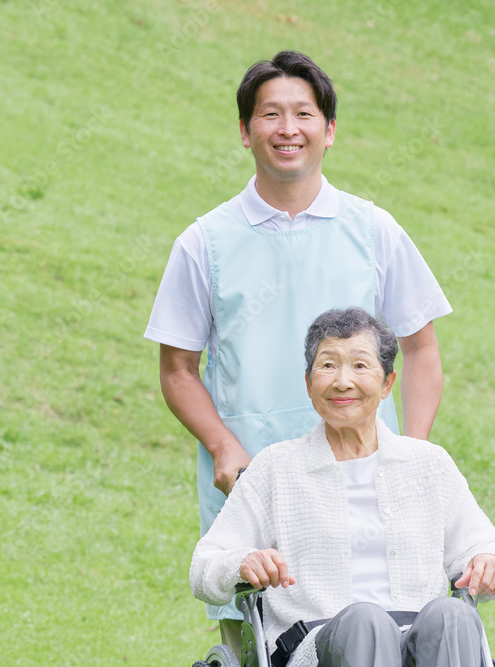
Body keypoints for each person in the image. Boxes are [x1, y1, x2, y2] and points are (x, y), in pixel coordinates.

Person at [145, 51, 453, 634]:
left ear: (329, 130)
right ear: (245, 131)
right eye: (270, 115)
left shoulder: (373, 230)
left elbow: (422, 349)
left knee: (377, 634)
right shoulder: (204, 243)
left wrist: (411, 453)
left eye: (304, 114)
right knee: (258, 642)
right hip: (251, 482)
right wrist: (222, 447)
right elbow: (178, 369)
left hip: (365, 477)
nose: (288, 129)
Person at [190, 308, 495, 667]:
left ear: (387, 384)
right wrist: (243, 562)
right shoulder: (276, 468)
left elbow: (485, 550)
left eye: (360, 366)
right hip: (317, 645)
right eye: (328, 366)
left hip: (421, 644)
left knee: (453, 615)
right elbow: (204, 566)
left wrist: (492, 563)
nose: (342, 381)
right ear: (308, 383)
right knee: (366, 621)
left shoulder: (429, 464)